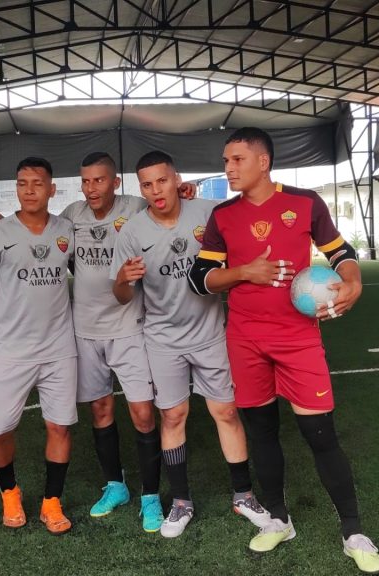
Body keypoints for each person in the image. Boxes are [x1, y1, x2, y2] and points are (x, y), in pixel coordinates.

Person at [188, 127, 379, 574]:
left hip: (298, 338)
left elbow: (340, 251)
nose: (228, 168)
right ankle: (279, 519)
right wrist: (244, 272)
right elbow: (199, 279)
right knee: (261, 432)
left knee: (320, 435)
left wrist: (353, 282)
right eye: (225, 160)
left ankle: (353, 532)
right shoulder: (222, 215)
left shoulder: (305, 203)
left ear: (263, 162)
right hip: (244, 339)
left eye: (237, 159)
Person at [111, 150, 270, 539]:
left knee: (226, 412)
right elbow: (121, 296)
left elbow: (245, 221)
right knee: (173, 416)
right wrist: (122, 279)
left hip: (210, 333)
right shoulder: (132, 232)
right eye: (147, 185)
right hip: (162, 339)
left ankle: (243, 495)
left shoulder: (208, 212)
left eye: (162, 181)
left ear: (177, 179)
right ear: (140, 189)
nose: (156, 191)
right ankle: (181, 502)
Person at [0, 157, 77, 535]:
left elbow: (94, 262)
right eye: (22, 183)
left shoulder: (68, 230)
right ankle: (10, 493)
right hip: (11, 350)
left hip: (59, 348)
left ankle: (52, 502)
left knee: (59, 427)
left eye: (37, 183)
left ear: (52, 189)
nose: (29, 190)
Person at [59, 152, 164, 531]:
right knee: (100, 410)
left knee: (143, 413)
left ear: (115, 182)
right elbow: (41, 237)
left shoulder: (135, 207)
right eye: (85, 181)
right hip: (84, 331)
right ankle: (116, 486)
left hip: (129, 327)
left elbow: (168, 205)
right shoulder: (71, 215)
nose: (91, 188)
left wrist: (184, 191)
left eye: (99, 180)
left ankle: (151, 496)